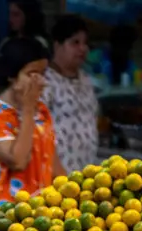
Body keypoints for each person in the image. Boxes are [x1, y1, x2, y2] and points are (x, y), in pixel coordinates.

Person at [0, 37, 65, 212]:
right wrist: (28, 109)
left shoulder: (41, 111)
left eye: (43, 73)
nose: (40, 82)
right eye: (32, 74)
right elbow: (18, 161)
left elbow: (53, 164)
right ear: (12, 76)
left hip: (41, 213)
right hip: (4, 217)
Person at [44, 15, 99, 174]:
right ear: (57, 45)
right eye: (75, 43)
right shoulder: (44, 82)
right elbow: (38, 135)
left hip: (85, 174)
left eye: (85, 43)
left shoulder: (86, 80)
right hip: (56, 178)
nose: (83, 49)